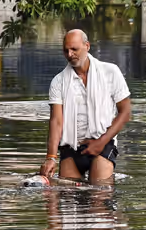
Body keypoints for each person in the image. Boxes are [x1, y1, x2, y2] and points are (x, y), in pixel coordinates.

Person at [40, 29, 132, 183]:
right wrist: (51, 157)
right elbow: (56, 121)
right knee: (68, 196)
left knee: (98, 197)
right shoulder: (58, 81)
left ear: (87, 46)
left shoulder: (110, 72)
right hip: (71, 146)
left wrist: (101, 142)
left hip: (103, 143)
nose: (70, 55)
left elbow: (125, 112)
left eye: (74, 49)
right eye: (66, 50)